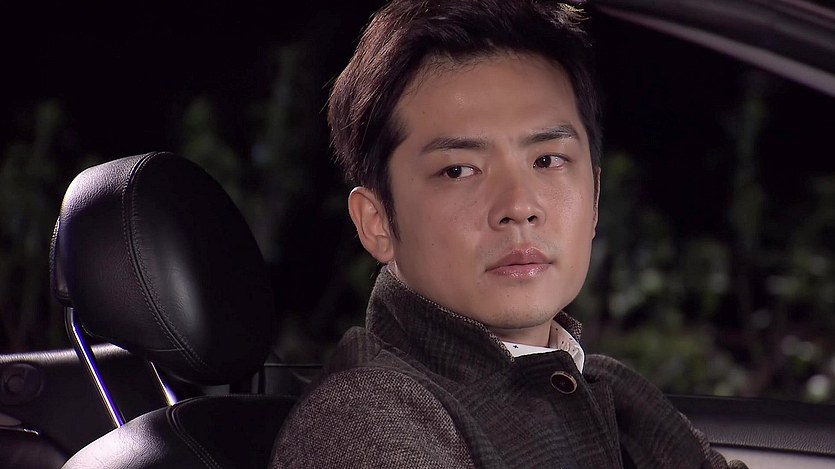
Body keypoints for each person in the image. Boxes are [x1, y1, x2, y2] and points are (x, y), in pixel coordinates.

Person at [271, 0, 747, 467]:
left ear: (595, 197)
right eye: (459, 170)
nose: (519, 207)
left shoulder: (622, 400)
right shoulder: (366, 420)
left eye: (547, 160)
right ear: (376, 222)